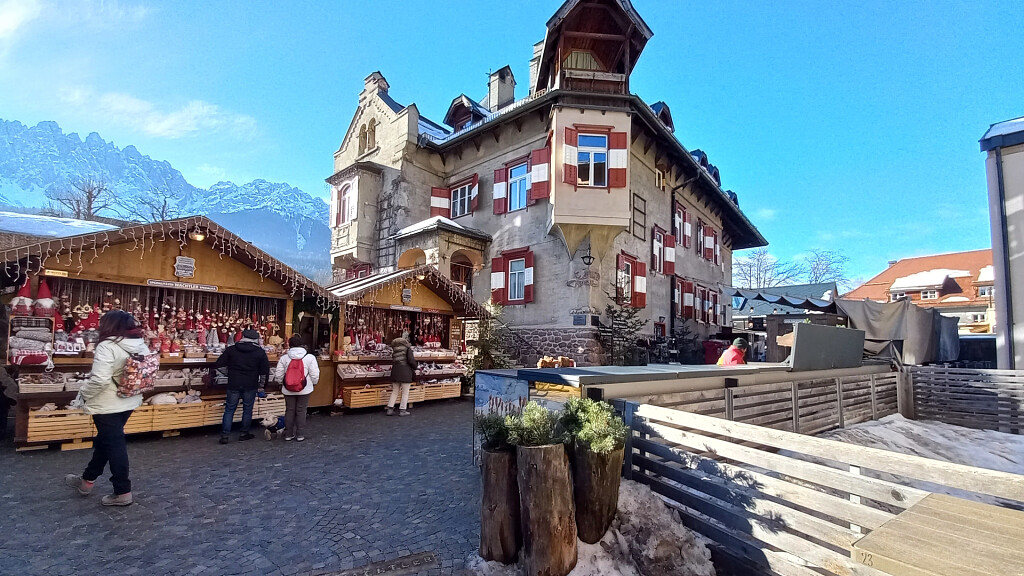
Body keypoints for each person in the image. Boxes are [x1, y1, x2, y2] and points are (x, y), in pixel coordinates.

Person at [64, 310, 150, 506]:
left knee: (114, 445)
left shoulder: (107, 346)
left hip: (107, 403)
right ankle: (87, 480)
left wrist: (83, 394)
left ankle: (122, 492)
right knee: (106, 441)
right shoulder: (141, 345)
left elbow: (100, 380)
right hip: (129, 400)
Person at [215, 328, 269, 444]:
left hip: (234, 383)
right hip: (250, 384)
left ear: (242, 337)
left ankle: (225, 435)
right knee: (247, 410)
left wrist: (229, 373)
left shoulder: (231, 349)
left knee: (229, 409)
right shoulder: (260, 352)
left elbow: (219, 365)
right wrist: (262, 386)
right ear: (255, 339)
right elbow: (264, 372)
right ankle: (244, 434)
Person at [274, 335, 320, 442]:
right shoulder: (310, 357)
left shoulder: (284, 358)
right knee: (301, 410)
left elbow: (279, 374)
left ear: (289, 345)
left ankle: (288, 434)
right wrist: (313, 383)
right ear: (302, 344)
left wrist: (281, 383)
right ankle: (300, 434)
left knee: (289, 410)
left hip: (288, 388)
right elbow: (314, 374)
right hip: (305, 388)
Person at [387, 330, 417, 416]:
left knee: (395, 391)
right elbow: (411, 361)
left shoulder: (395, 350)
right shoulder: (407, 349)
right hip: (405, 372)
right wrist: (415, 366)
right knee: (405, 392)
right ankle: (403, 410)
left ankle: (390, 409)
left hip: (395, 371)